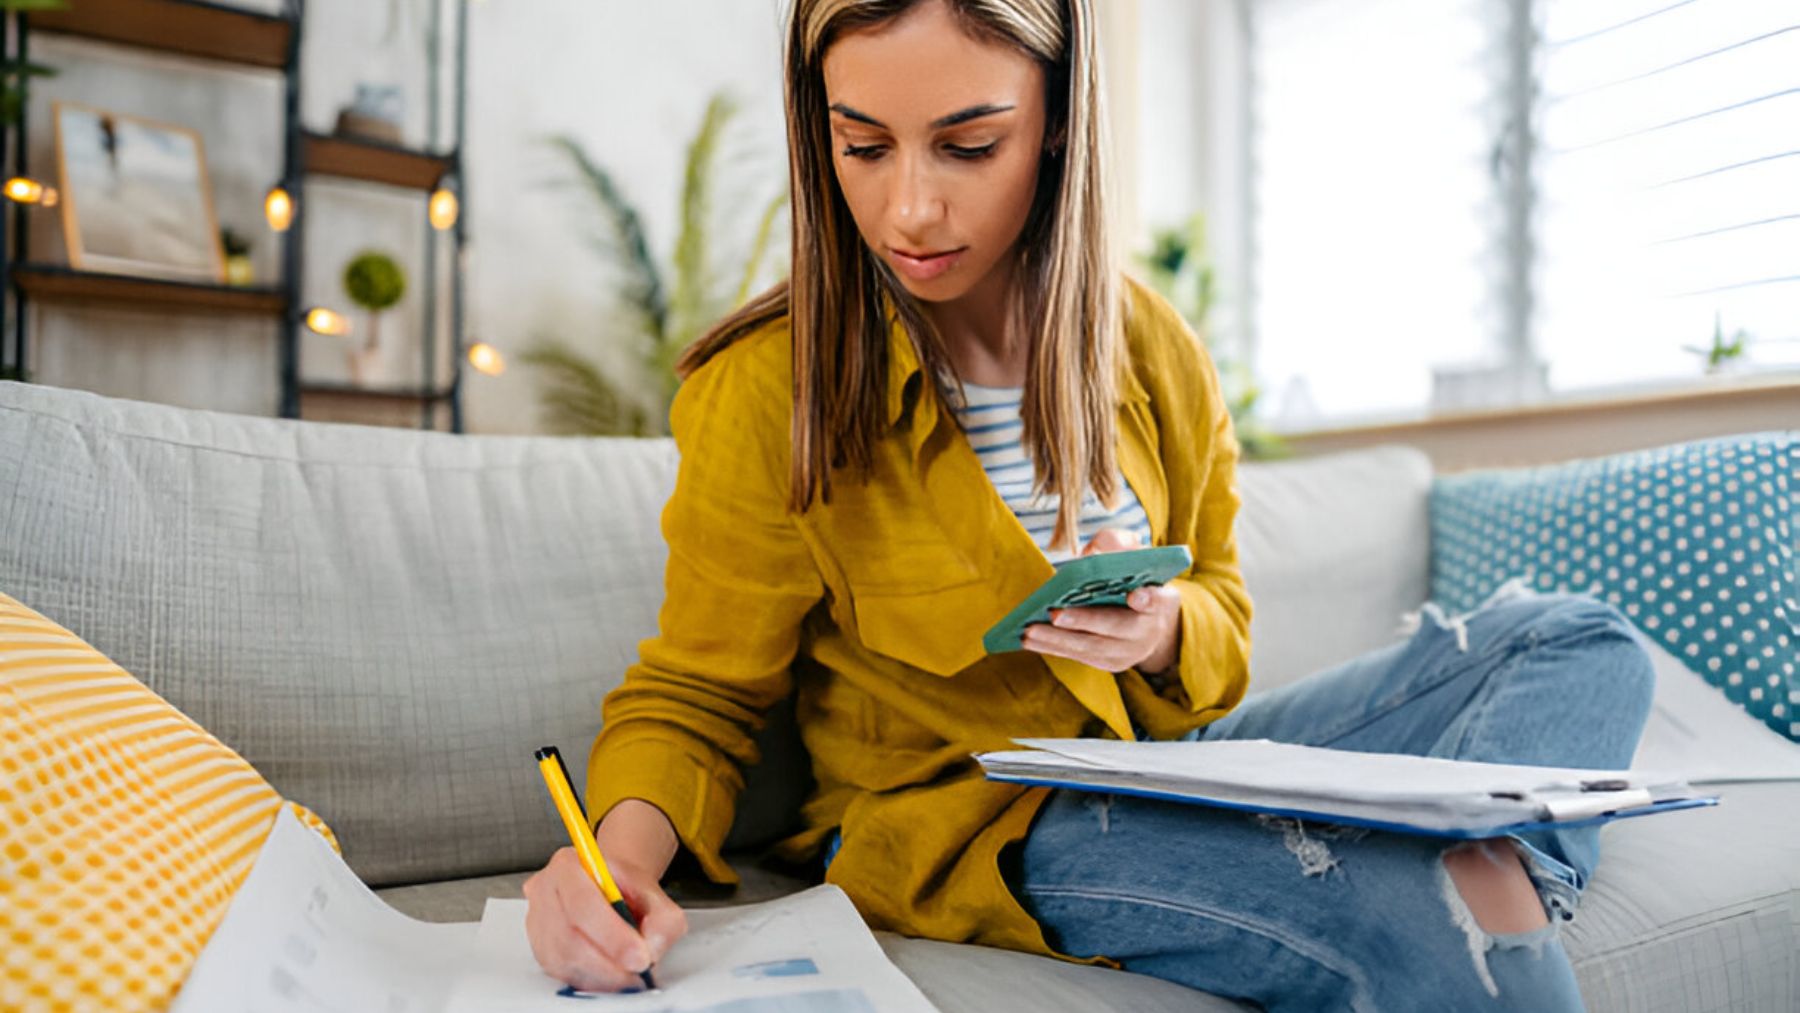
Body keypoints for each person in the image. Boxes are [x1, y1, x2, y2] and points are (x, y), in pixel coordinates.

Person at [522, 1, 1655, 1009]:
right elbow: (698, 693)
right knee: (1419, 909)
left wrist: (1163, 627)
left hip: (1177, 762)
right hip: (980, 822)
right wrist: (611, 860)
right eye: (861, 144)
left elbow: (1222, 616)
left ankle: (1489, 863)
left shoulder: (1153, 343)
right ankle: (1456, 890)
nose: (908, 208)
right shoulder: (771, 386)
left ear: (1059, 117)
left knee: (1579, 638)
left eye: (970, 144)